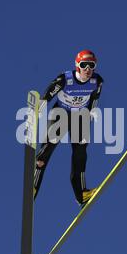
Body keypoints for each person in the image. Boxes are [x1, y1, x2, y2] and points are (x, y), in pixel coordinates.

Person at [33, 50, 104, 208]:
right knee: (46, 151)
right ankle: (33, 186)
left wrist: (92, 113)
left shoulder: (97, 81)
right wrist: (39, 107)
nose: (87, 69)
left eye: (91, 65)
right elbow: (48, 95)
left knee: (80, 154)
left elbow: (94, 99)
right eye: (84, 65)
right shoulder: (65, 79)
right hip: (60, 114)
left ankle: (81, 195)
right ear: (77, 66)